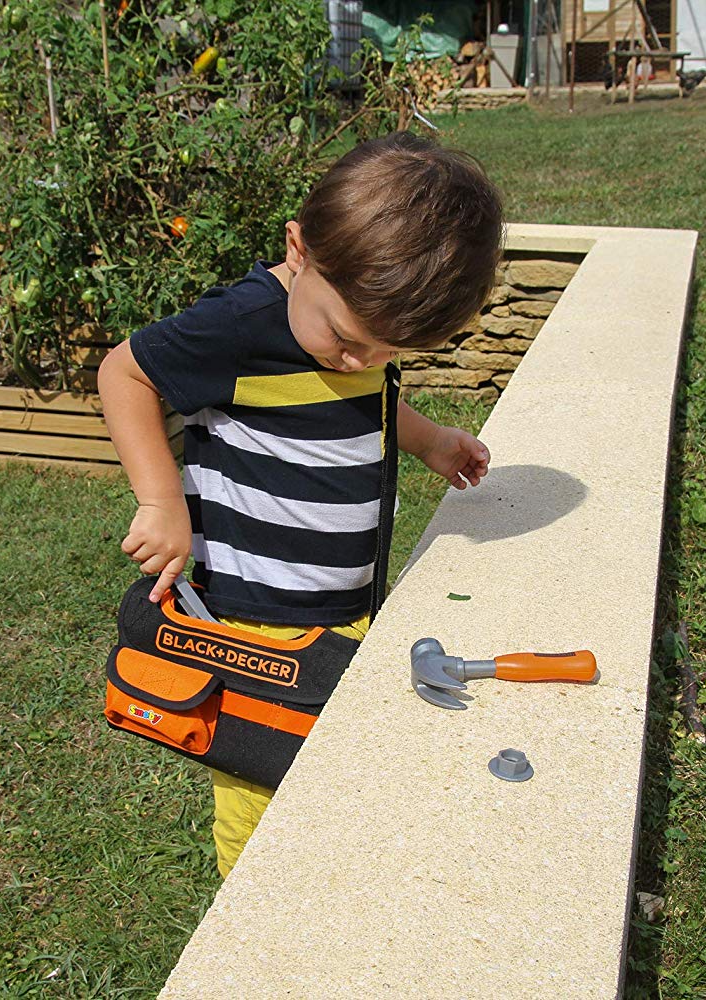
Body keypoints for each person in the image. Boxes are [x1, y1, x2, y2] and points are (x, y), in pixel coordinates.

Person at [97, 130, 504, 877]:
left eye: (387, 352)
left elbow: (363, 401)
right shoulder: (240, 325)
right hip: (257, 625)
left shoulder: (347, 334)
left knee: (335, 765)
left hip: (342, 607)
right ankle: (255, 911)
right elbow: (124, 373)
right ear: (299, 249)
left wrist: (430, 442)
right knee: (263, 785)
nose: (359, 361)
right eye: (348, 340)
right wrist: (161, 500)